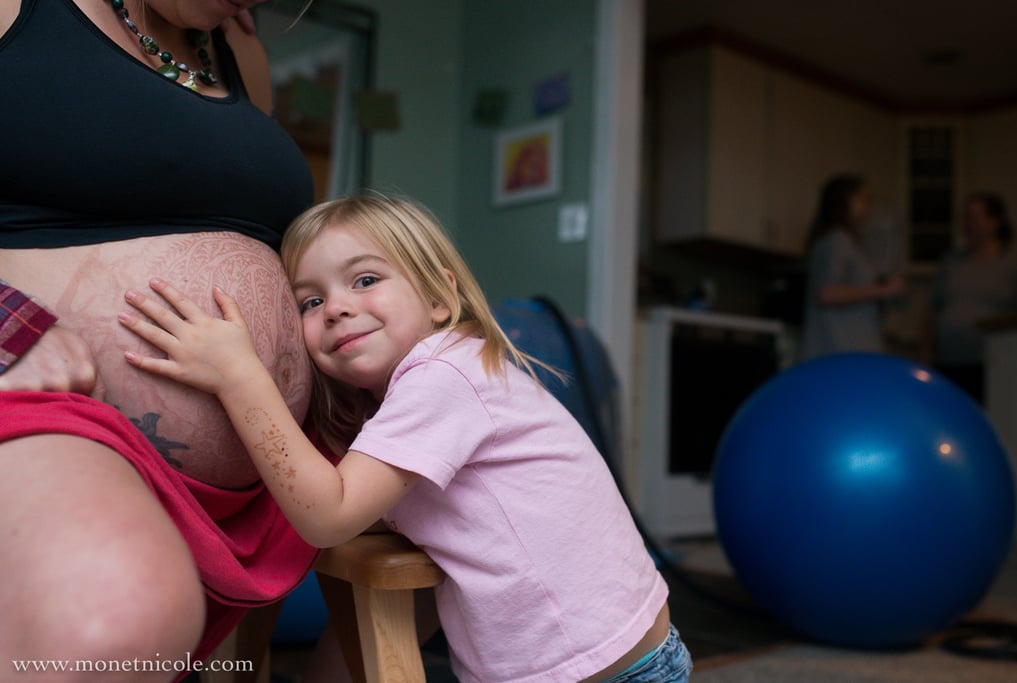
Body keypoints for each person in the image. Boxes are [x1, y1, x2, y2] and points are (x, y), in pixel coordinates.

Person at [117, 194, 693, 683]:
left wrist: (239, 375)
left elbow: (329, 515)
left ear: (440, 299)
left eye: (365, 280)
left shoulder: (445, 373)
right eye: (310, 302)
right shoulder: (397, 405)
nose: (337, 308)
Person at [0, 0, 319, 679]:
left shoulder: (238, 51)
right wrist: (4, 318)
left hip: (272, 470)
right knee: (116, 616)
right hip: (51, 405)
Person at [921, 192, 1017, 405]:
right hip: (949, 363)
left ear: (994, 222)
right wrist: (926, 357)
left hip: (992, 365)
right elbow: (933, 312)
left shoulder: (1013, 264)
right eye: (965, 217)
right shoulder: (951, 262)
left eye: (975, 217)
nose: (968, 224)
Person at [801, 174, 907, 359]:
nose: (868, 206)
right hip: (840, 349)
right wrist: (883, 290)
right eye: (862, 199)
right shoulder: (837, 241)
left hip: (851, 349)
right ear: (845, 201)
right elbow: (827, 293)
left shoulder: (850, 244)